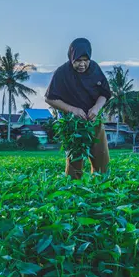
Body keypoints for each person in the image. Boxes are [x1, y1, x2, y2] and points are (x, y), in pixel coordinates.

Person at [45, 38, 111, 179]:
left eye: (85, 60)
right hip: (73, 124)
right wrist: (72, 110)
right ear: (71, 58)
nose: (82, 64)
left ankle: (100, 189)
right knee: (75, 162)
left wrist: (96, 108)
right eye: (78, 60)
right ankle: (73, 191)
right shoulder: (62, 73)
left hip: (94, 120)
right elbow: (49, 98)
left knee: (102, 160)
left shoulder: (95, 69)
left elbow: (104, 93)